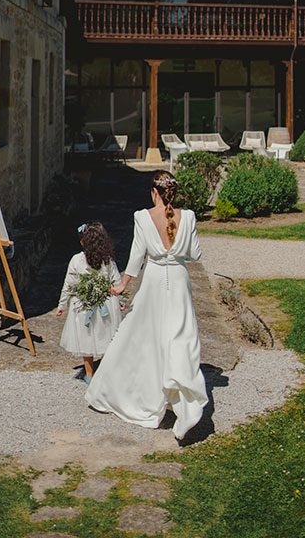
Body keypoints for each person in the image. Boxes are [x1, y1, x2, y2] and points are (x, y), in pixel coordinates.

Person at [85, 170, 208, 439]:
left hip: (153, 280)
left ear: (154, 191)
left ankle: (136, 393)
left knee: (143, 336)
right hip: (178, 279)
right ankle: (185, 404)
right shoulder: (187, 217)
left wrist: (122, 285)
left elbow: (137, 256)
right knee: (180, 337)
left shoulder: (142, 217)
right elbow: (195, 254)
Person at [56, 221, 122, 382]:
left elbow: (69, 285)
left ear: (83, 241)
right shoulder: (107, 260)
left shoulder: (76, 260)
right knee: (106, 336)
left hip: (83, 304)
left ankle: (90, 373)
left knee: (85, 337)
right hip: (105, 302)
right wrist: (121, 300)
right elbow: (116, 282)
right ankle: (106, 371)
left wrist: (61, 306)